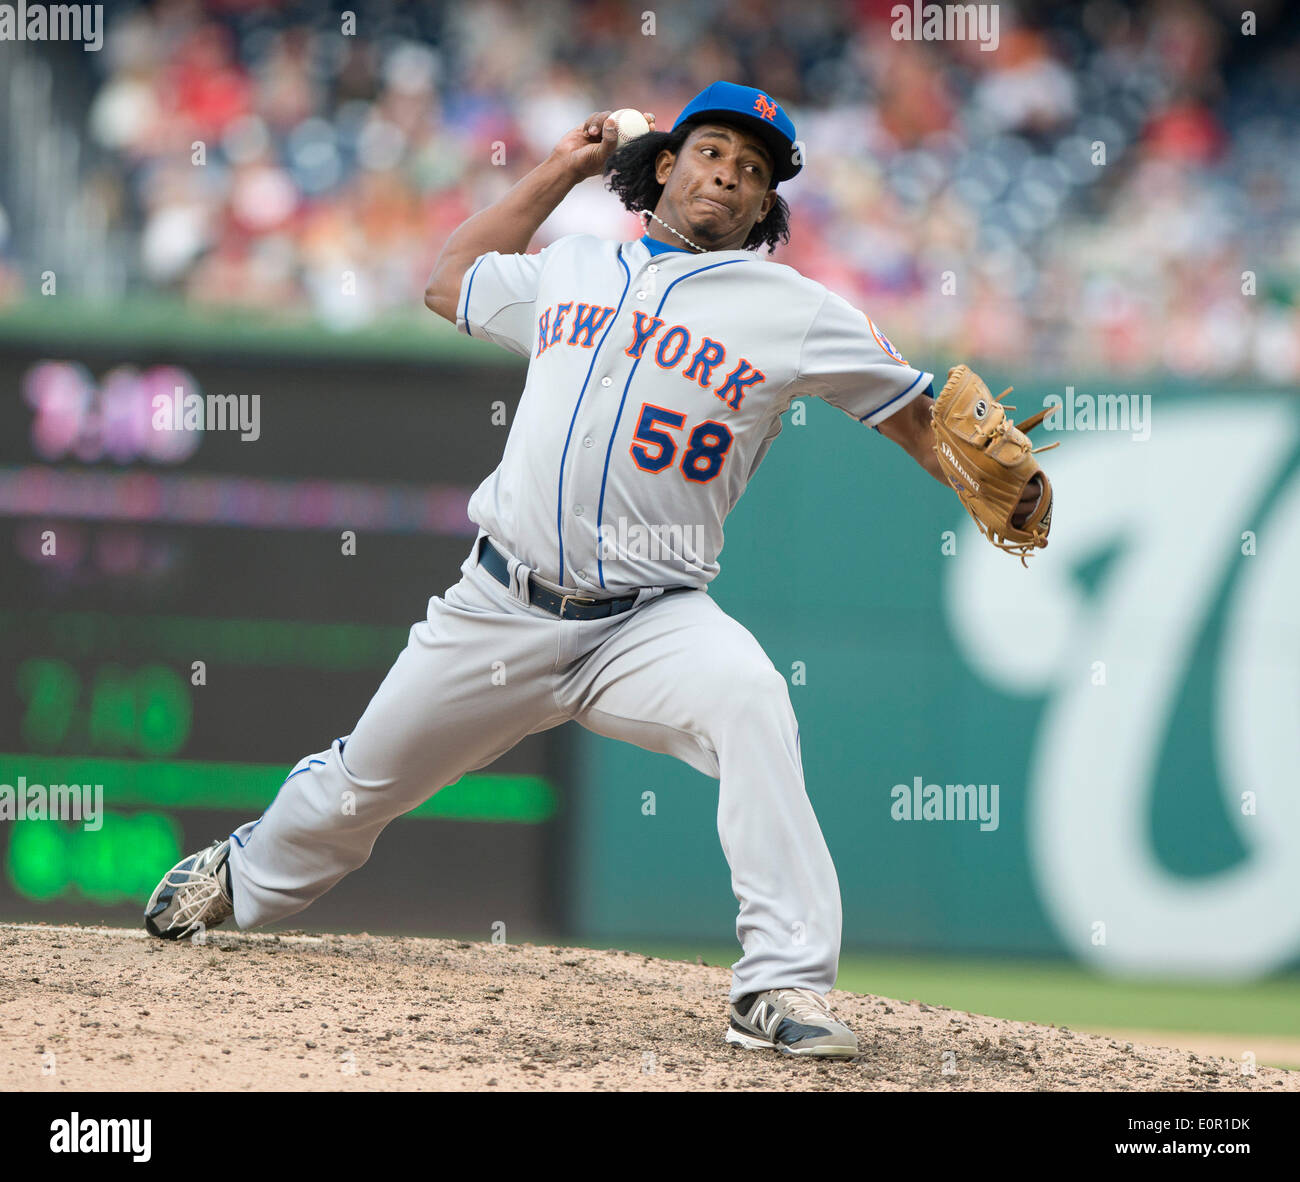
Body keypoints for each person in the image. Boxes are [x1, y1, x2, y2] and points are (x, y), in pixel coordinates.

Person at [144, 81, 1044, 1059]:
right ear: (667, 163)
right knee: (365, 782)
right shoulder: (572, 267)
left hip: (650, 620)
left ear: (763, 207)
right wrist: (563, 167)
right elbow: (448, 279)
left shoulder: (792, 310)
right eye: (712, 154)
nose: (728, 177)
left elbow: (912, 408)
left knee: (749, 699)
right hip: (499, 606)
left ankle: (778, 987)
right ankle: (246, 875)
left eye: (752, 173)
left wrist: (974, 488)